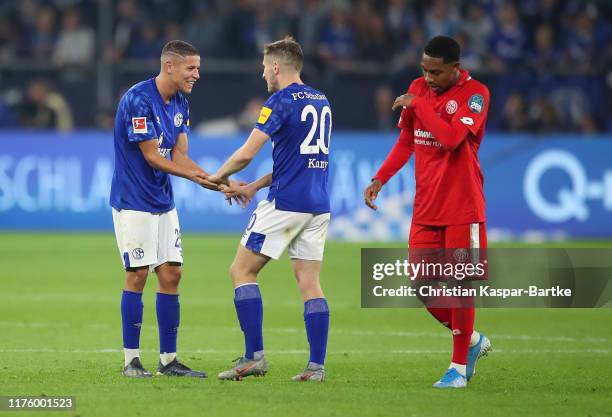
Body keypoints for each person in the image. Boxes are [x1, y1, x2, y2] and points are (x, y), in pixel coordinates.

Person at [363, 36, 492, 388]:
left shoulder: (475, 94)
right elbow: (406, 141)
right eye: (424, 70)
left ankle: (458, 369)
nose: (429, 77)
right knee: (422, 283)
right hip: (426, 208)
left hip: (463, 207)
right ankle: (472, 340)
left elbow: (451, 139)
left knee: (461, 285)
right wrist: (380, 178)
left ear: (455, 68)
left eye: (436, 72)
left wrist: (419, 106)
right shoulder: (418, 88)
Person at [207, 36, 332, 382]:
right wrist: (251, 186)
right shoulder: (321, 101)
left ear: (276, 66)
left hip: (285, 204)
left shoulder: (279, 102)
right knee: (310, 283)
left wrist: (218, 175)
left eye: (264, 67)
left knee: (241, 271)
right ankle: (316, 367)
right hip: (317, 205)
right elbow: (296, 162)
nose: (263, 74)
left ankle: (253, 358)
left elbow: (247, 153)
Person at [110, 40, 221, 378]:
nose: (197, 74)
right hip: (134, 201)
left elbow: (179, 157)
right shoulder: (138, 99)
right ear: (169, 66)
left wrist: (212, 177)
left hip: (162, 201)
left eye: (198, 67)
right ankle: (131, 361)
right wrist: (196, 178)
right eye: (191, 68)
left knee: (172, 273)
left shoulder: (181, 103)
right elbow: (152, 156)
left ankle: (168, 361)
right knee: (138, 273)